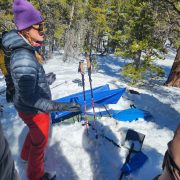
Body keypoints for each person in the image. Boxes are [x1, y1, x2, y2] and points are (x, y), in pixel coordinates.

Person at [2, 0, 81, 180]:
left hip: (28, 107)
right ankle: (35, 176)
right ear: (25, 30)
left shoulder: (24, 50)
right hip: (33, 110)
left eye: (43, 26)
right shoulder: (24, 56)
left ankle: (24, 157)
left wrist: (45, 80)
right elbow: (30, 98)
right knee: (40, 143)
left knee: (34, 135)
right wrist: (62, 106)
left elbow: (26, 83)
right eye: (39, 27)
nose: (43, 31)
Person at [0, 32, 15, 103]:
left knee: (14, 82)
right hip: (6, 67)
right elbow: (1, 61)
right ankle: (9, 99)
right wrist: (5, 71)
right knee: (10, 83)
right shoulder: (1, 46)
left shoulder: (11, 44)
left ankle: (13, 98)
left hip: (13, 65)